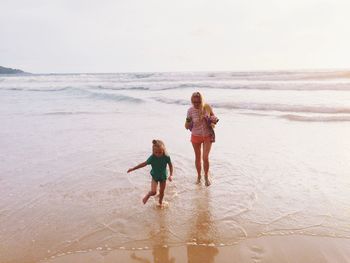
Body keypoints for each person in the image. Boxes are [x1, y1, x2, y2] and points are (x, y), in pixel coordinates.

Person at [185, 92, 218, 186]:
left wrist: (211, 119)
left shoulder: (207, 107)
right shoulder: (190, 111)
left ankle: (206, 177)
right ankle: (199, 176)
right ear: (192, 101)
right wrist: (188, 120)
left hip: (207, 135)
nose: (196, 104)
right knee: (198, 158)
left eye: (198, 102)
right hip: (195, 136)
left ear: (201, 101)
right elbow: (187, 126)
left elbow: (214, 119)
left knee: (205, 157)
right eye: (194, 102)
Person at [127, 139, 173, 206]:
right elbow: (144, 164)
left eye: (160, 152)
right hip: (155, 176)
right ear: (153, 151)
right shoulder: (152, 158)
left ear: (163, 150)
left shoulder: (166, 157)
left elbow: (170, 166)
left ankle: (160, 203)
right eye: (156, 152)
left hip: (163, 177)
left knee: (162, 192)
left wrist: (171, 175)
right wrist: (133, 168)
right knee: (154, 192)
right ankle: (148, 195)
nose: (158, 154)